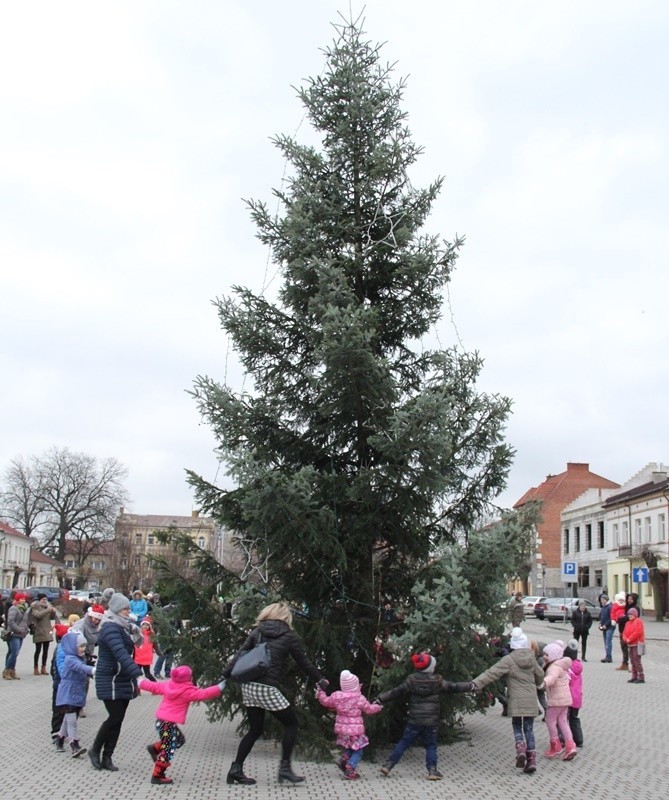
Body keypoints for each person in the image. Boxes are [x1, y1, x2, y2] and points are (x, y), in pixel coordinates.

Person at [222, 601, 327, 786]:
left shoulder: (258, 631)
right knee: (292, 723)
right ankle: (285, 769)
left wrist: (225, 673)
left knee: (255, 729)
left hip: (249, 686)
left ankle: (235, 769)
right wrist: (320, 679)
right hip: (267, 687)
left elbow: (240, 655)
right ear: (286, 617)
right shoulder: (288, 635)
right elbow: (304, 662)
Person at [376, 652, 471, 780]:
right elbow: (454, 686)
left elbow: (396, 692)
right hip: (431, 721)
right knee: (431, 745)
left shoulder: (411, 680)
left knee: (404, 742)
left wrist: (380, 699)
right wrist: (471, 686)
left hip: (414, 719)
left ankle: (388, 765)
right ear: (430, 668)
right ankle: (432, 771)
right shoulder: (438, 681)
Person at [469, 628, 545, 774]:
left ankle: (520, 748)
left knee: (517, 725)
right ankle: (532, 760)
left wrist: (476, 683)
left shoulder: (509, 660)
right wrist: (538, 682)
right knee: (529, 729)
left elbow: (491, 673)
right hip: (530, 700)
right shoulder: (532, 658)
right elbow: (540, 674)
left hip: (515, 699)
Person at [140, 665, 226, 785]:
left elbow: (154, 686)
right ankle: (157, 775)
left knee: (179, 740)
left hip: (161, 722)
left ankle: (154, 748)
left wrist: (141, 682)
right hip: (167, 724)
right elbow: (203, 694)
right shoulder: (187, 691)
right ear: (188, 678)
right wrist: (219, 688)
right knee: (168, 748)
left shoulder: (168, 685)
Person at [89, 592, 143, 771]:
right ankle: (95, 750)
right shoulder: (110, 628)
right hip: (110, 678)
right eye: (126, 609)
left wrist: (133, 679)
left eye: (128, 608)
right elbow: (120, 653)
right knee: (114, 717)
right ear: (118, 610)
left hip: (123, 678)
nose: (129, 612)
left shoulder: (124, 627)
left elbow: (129, 652)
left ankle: (107, 757)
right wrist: (138, 674)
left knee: (118, 720)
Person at [316, 669, 382, 780]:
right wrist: (378, 707)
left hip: (342, 729)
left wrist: (320, 692)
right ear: (356, 686)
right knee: (359, 750)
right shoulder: (359, 698)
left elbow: (325, 701)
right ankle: (350, 768)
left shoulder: (337, 696)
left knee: (352, 746)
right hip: (355, 730)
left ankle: (344, 759)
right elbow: (369, 710)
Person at [55, 630, 95, 757]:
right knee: (72, 720)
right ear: (73, 647)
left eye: (84, 646)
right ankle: (74, 744)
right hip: (68, 693)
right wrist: (93, 670)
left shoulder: (78, 658)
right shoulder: (70, 659)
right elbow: (80, 668)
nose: (83, 649)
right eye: (81, 646)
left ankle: (60, 739)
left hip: (76, 692)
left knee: (68, 720)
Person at [542, 642, 577, 761]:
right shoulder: (562, 665)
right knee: (562, 722)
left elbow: (551, 678)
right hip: (566, 699)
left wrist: (544, 683)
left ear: (553, 656)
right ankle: (570, 746)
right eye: (544, 654)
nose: (544, 657)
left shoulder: (553, 667)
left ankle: (555, 745)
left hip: (557, 700)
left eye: (547, 654)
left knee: (550, 719)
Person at [50, 623, 72, 742]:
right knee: (58, 708)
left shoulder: (62, 648)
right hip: (60, 683)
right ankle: (56, 732)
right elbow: (56, 668)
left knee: (61, 708)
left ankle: (62, 731)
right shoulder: (62, 650)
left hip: (60, 683)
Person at [29, 593, 59, 675]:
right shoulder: (35, 606)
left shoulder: (47, 607)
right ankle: (35, 667)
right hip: (38, 630)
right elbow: (38, 615)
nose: (45, 601)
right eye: (43, 599)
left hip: (47, 630)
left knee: (45, 650)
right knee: (38, 650)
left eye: (46, 599)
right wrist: (48, 610)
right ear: (39, 600)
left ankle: (44, 667)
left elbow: (51, 618)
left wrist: (53, 612)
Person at [3, 592, 30, 679]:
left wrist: (26, 630)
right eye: (21, 599)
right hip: (14, 634)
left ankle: (12, 670)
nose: (23, 600)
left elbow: (25, 622)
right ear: (17, 600)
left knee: (14, 653)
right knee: (14, 652)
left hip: (21, 634)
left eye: (24, 599)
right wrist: (18, 629)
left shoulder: (24, 609)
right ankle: (7, 670)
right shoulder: (14, 608)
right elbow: (10, 621)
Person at [562, 640, 584, 747]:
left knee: (564, 719)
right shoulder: (578, 666)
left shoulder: (568, 668)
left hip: (568, 697)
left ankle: (565, 739)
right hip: (577, 698)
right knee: (574, 718)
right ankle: (579, 739)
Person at [622, 607, 645, 684]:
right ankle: (634, 676)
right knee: (632, 660)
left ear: (635, 614)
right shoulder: (627, 623)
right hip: (630, 644)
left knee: (637, 660)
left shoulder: (638, 621)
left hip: (637, 644)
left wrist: (630, 638)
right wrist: (625, 638)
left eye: (631, 614)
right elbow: (624, 632)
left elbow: (638, 632)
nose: (629, 616)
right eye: (629, 614)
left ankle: (641, 676)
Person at [610, 592, 629, 670]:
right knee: (623, 646)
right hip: (621, 629)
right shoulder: (615, 606)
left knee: (625, 646)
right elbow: (612, 613)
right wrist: (614, 620)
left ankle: (626, 663)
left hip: (626, 630)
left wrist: (620, 619)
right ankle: (625, 663)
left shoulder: (626, 607)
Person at [598, 594, 614, 663]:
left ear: (606, 600)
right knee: (605, 642)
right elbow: (602, 617)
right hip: (604, 627)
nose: (601, 601)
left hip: (610, 627)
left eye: (603, 600)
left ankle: (609, 657)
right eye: (601, 600)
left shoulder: (610, 607)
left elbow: (612, 617)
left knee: (608, 641)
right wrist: (600, 624)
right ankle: (607, 655)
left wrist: (606, 625)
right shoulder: (603, 607)